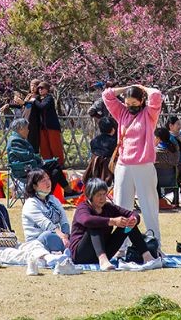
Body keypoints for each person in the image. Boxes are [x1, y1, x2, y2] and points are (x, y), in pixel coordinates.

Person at [103, 83, 164, 244]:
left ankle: (154, 241)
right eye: (128, 103)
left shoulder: (149, 114)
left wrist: (142, 88)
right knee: (121, 205)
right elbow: (107, 95)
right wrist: (126, 88)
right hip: (123, 164)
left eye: (134, 104)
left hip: (144, 164)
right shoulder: (121, 112)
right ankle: (122, 245)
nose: (130, 107)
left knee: (149, 205)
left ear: (142, 101)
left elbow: (156, 95)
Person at [68, 178, 163, 271]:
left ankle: (147, 257)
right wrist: (112, 221)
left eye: (104, 194)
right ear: (90, 196)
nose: (102, 198)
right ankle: (102, 260)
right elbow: (87, 220)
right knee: (95, 224)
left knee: (128, 225)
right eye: (98, 195)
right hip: (81, 254)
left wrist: (133, 220)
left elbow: (132, 214)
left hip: (106, 249)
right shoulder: (83, 208)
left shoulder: (108, 207)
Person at [5, 118, 78, 196]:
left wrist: (39, 159)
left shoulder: (18, 139)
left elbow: (28, 155)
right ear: (20, 129)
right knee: (54, 164)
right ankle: (53, 194)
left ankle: (48, 195)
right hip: (23, 170)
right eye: (27, 128)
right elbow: (27, 156)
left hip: (28, 166)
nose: (28, 131)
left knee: (56, 171)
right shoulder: (15, 141)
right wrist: (39, 159)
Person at [21, 169, 71, 252]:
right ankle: (67, 250)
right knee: (47, 236)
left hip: (58, 237)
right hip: (37, 241)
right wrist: (62, 237)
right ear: (34, 186)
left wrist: (66, 235)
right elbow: (46, 224)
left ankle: (67, 249)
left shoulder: (53, 199)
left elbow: (64, 220)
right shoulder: (30, 203)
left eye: (48, 179)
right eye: (43, 181)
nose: (48, 182)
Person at [33, 81, 65, 164]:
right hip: (42, 127)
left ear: (47, 89)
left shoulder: (49, 98)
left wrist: (34, 101)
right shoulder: (38, 99)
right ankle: (48, 163)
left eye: (42, 88)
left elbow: (42, 106)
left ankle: (59, 164)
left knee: (55, 146)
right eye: (39, 88)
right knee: (44, 147)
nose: (40, 90)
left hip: (51, 126)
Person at [83, 116, 117, 184]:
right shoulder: (115, 142)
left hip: (94, 170)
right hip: (109, 172)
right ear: (113, 129)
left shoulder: (93, 141)